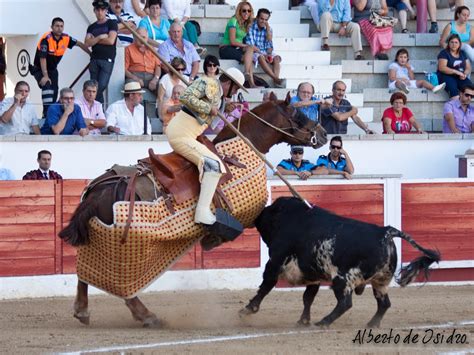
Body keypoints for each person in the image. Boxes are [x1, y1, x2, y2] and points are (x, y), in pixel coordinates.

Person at [165, 67, 247, 232]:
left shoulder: (219, 95)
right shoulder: (209, 83)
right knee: (214, 164)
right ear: (229, 83)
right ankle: (202, 212)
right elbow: (186, 97)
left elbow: (209, 118)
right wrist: (210, 109)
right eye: (236, 87)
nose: (236, 91)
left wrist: (224, 110)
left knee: (215, 163)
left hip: (187, 134)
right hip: (180, 134)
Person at [29, 17, 89, 117]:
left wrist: (91, 54)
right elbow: (42, 58)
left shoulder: (66, 38)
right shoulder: (46, 39)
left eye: (61, 26)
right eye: (57, 26)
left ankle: (51, 112)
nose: (59, 28)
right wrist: (45, 76)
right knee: (47, 85)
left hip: (53, 70)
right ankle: (46, 113)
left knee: (55, 91)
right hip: (39, 68)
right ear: (52, 27)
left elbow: (79, 44)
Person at [85, 0, 119, 103]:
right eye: (98, 10)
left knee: (100, 86)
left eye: (102, 10)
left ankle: (97, 110)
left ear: (106, 11)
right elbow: (87, 43)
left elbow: (111, 40)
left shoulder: (112, 23)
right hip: (94, 59)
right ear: (94, 11)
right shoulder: (91, 26)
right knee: (94, 87)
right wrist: (99, 37)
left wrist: (94, 40)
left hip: (107, 59)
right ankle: (99, 112)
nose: (100, 12)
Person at [244, 8, 284, 88]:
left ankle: (276, 82)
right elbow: (251, 45)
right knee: (261, 57)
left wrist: (269, 54)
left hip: (265, 52)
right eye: (262, 19)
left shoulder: (268, 29)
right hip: (255, 52)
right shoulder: (250, 27)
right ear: (257, 17)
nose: (263, 21)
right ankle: (276, 78)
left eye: (266, 20)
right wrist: (263, 54)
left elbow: (269, 46)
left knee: (276, 58)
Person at [125, 28, 162, 93]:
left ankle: (160, 102)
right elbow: (124, 69)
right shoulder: (128, 49)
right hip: (135, 75)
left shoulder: (152, 49)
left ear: (147, 38)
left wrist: (155, 79)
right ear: (134, 37)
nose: (142, 40)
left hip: (151, 77)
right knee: (131, 85)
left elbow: (158, 67)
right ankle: (137, 103)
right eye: (139, 37)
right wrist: (135, 78)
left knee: (162, 87)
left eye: (144, 37)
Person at [437, 33, 472, 100]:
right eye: (452, 42)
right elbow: (442, 68)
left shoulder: (462, 53)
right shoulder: (444, 53)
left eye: (456, 42)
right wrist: (456, 72)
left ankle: (466, 108)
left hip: (460, 76)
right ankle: (455, 109)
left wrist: (465, 74)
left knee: (470, 89)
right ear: (448, 43)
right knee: (454, 92)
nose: (454, 44)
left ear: (459, 44)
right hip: (446, 76)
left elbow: (468, 67)